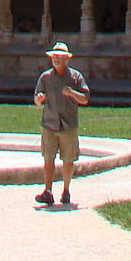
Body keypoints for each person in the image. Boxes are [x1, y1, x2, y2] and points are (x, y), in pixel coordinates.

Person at [33, 40, 90, 209]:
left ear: (67, 59)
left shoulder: (76, 77)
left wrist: (72, 93)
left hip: (68, 125)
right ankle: (48, 191)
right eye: (54, 56)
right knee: (48, 158)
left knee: (68, 159)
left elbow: (85, 99)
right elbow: (37, 99)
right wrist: (39, 99)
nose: (56, 59)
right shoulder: (45, 77)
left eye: (60, 56)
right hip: (49, 124)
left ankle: (66, 190)